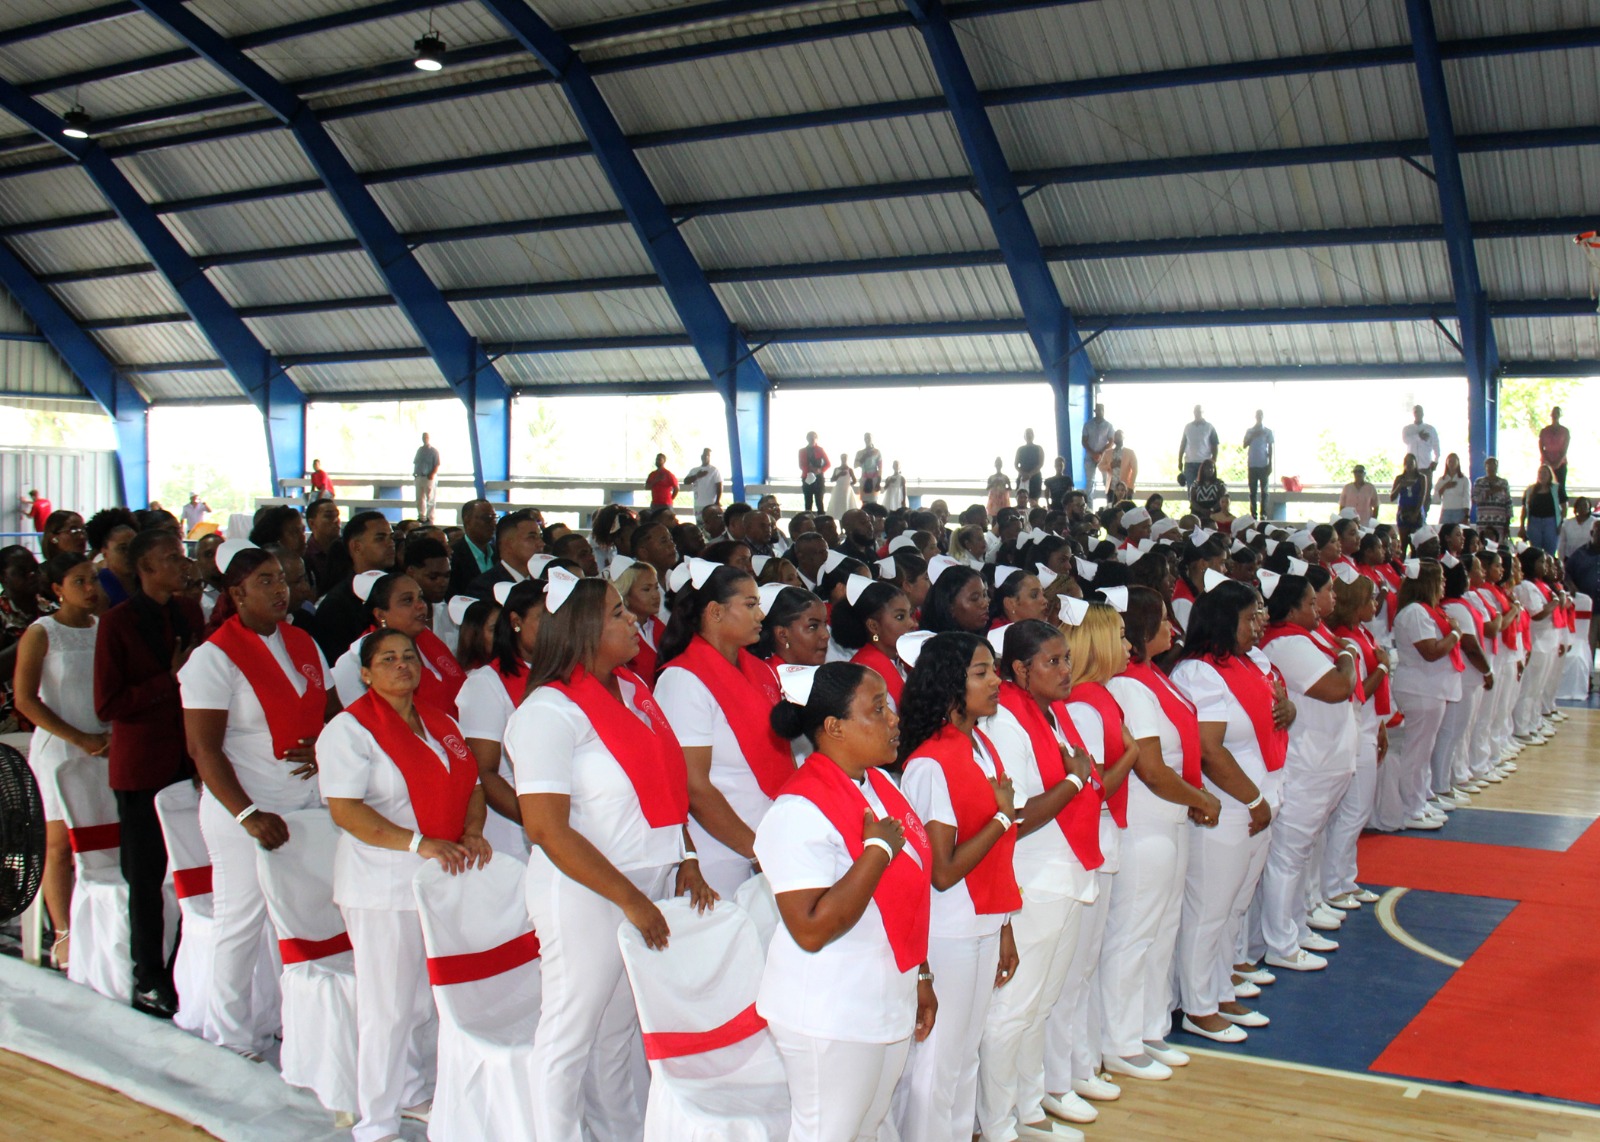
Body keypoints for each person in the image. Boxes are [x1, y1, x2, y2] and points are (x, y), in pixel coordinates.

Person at [507, 573, 710, 1142]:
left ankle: (617, 1130)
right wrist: (632, 900)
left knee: (619, 1030)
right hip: (586, 893)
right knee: (570, 1031)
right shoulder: (549, 711)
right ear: (583, 629)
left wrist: (686, 855)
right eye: (619, 613)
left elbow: (667, 786)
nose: (633, 621)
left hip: (645, 884)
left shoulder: (633, 691)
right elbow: (546, 829)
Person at [320, 628, 490, 1142]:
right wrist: (418, 842)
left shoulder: (440, 723)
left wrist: (473, 831)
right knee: (388, 1006)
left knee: (425, 998)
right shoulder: (349, 732)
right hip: (383, 886)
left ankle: (412, 1089)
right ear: (366, 674)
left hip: (439, 878)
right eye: (388, 659)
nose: (402, 666)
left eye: (409, 657)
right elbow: (347, 810)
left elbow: (473, 787)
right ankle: (374, 1119)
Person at [756, 662, 935, 1142]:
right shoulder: (796, 811)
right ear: (833, 728)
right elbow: (812, 928)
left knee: (869, 1128)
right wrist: (876, 851)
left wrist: (918, 974)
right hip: (828, 1011)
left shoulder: (879, 785)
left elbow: (909, 893)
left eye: (889, 706)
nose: (893, 719)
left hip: (881, 995)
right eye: (877, 710)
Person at [180, 544, 329, 1061]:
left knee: (295, 921)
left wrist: (324, 743)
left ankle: (277, 1019)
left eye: (283, 578)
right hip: (244, 808)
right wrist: (247, 813)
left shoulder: (304, 642)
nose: (279, 588)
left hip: (304, 805)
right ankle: (229, 1034)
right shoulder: (214, 657)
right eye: (265, 580)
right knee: (241, 921)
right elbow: (203, 747)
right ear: (236, 593)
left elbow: (332, 715)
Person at [893, 631, 1018, 1142]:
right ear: (950, 684)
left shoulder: (979, 743)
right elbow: (941, 871)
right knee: (938, 1062)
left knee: (966, 1054)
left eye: (993, 671)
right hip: (950, 929)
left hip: (984, 919)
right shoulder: (928, 762)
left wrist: (1005, 925)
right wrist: (1003, 817)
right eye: (981, 672)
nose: (995, 682)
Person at [976, 619, 1099, 1137]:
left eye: (1067, 658)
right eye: (1053, 661)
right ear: (1020, 670)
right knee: (1014, 1008)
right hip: (1034, 877)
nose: (1066, 669)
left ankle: (1028, 1108)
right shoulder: (1007, 718)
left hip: (1063, 872)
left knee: (1041, 1002)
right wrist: (1075, 779)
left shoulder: (1050, 714)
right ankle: (998, 1121)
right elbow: (1017, 817)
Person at [1098, 588, 1219, 1078]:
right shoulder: (1129, 686)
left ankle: (1149, 1027)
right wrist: (1201, 798)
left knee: (1161, 930)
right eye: (1165, 621)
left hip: (1169, 822)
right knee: (1133, 935)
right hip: (1145, 822)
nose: (1174, 628)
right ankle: (1119, 1040)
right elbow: (1150, 768)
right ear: (1140, 632)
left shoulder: (1154, 677)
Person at [1169, 580, 1289, 1043]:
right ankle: (1198, 1006)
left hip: (1254, 804)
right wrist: (1254, 800)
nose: (1259, 623)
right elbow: (1211, 751)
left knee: (1234, 905)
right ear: (1223, 622)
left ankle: (1219, 989)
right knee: (1209, 910)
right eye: (1249, 617)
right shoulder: (1200, 673)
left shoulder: (1244, 663)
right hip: (1229, 808)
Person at [93, 528, 205, 1019]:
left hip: (185, 757)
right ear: (145, 570)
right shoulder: (117, 623)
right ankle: (147, 976)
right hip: (141, 765)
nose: (183, 566)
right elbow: (109, 703)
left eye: (182, 557)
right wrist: (169, 681)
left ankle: (183, 965)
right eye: (171, 559)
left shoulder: (186, 612)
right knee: (145, 877)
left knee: (193, 871)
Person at [656, 561, 794, 896]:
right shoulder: (682, 680)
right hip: (719, 851)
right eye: (750, 605)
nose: (761, 615)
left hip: (767, 840)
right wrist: (755, 850)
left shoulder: (759, 670)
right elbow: (694, 786)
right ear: (715, 612)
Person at [1255, 570, 1356, 973]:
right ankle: (1281, 941)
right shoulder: (1288, 643)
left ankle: (1296, 924)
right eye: (1311, 603)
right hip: (1307, 762)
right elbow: (1335, 687)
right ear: (1291, 608)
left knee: (1302, 851)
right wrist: (1347, 655)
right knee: (1289, 856)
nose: (1318, 609)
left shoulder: (1304, 639)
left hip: (1323, 760)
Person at [14, 552, 108, 972]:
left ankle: (99, 922)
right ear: (57, 590)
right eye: (79, 582)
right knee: (58, 844)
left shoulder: (102, 628)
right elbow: (25, 699)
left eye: (93, 580)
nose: (91, 589)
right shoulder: (42, 632)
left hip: (102, 744)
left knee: (99, 837)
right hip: (61, 746)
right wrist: (78, 737)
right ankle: (63, 930)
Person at [1372, 560, 1461, 832]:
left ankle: (1419, 799)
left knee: (1424, 749)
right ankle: (1410, 806)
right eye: (1440, 580)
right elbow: (1430, 650)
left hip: (1429, 687)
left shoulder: (1425, 611)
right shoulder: (1414, 613)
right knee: (1416, 750)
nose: (1444, 584)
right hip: (1420, 687)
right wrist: (1456, 633)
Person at [457, 579, 543, 855]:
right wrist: (542, 821)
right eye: (546, 618)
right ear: (516, 621)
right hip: (516, 829)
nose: (557, 629)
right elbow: (484, 772)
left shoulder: (567, 675)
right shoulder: (486, 684)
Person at [332, 571, 467, 718]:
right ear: (380, 615)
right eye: (408, 600)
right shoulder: (356, 662)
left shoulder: (428, 640)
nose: (421, 605)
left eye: (420, 597)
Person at [311, 511, 396, 662]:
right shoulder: (336, 604)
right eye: (380, 538)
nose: (390, 544)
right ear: (356, 546)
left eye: (391, 537)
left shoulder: (398, 589)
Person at [466, 508, 543, 601]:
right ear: (508, 544)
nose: (541, 544)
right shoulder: (485, 588)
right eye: (532, 537)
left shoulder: (543, 582)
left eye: (540, 537)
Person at [447, 499, 496, 596]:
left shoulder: (499, 553)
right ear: (467, 521)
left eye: (494, 518)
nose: (493, 523)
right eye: (486, 518)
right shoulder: (453, 555)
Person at [1402, 406, 1441, 520]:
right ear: (1413, 413)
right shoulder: (1408, 429)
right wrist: (1418, 436)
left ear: (1423, 413)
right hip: (1411, 468)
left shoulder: (1430, 429)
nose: (1418, 413)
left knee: (1426, 493)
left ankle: (1423, 516)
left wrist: (1436, 460)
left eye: (1419, 412)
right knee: (1411, 491)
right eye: (1415, 412)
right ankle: (1409, 515)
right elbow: (1406, 440)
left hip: (1425, 466)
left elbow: (1436, 445)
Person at [1520, 464, 1562, 554]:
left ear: (1550, 475)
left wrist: (1561, 523)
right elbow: (1524, 509)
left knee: (1550, 550)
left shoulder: (1556, 488)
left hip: (1551, 522)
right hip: (1534, 522)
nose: (1542, 475)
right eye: (1540, 473)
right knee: (1535, 551)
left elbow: (1564, 507)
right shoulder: (1530, 489)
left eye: (1545, 473)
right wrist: (1522, 526)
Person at [302, 499, 342, 594]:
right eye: (328, 516)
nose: (336, 520)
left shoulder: (346, 550)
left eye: (337, 516)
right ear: (312, 523)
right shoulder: (306, 556)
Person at [1471, 456, 1513, 539]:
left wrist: (1507, 523)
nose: (1491, 468)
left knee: (1498, 545)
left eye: (1494, 466)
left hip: (1499, 522)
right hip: (1483, 521)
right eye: (1489, 466)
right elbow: (1475, 499)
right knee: (1483, 545)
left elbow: (1508, 503)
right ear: (1485, 467)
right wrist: (1489, 492)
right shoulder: (1479, 482)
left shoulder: (1503, 483)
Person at [1176, 405, 1218, 487]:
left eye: (1199, 411)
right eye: (1196, 411)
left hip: (1204, 463)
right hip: (1189, 463)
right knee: (1191, 488)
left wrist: (1213, 461)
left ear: (1202, 412)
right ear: (1193, 412)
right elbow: (1183, 444)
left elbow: (1215, 445)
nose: (1197, 413)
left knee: (1204, 487)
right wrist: (1180, 460)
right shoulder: (1188, 427)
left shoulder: (1209, 427)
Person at [1540, 406, 1571, 507]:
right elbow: (1541, 447)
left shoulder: (1565, 431)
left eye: (1558, 413)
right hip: (1546, 464)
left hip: (1560, 463)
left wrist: (1558, 462)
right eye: (1554, 412)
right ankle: (1545, 508)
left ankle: (1562, 513)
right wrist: (1548, 461)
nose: (1555, 415)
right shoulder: (1544, 431)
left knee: (1560, 488)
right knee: (1545, 486)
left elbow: (1565, 448)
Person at [1081, 405, 1113, 503]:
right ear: (1095, 411)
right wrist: (1092, 453)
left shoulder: (1108, 425)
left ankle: (1109, 505)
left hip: (1103, 457)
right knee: (1090, 483)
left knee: (1106, 481)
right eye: (1098, 410)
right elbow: (1084, 441)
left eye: (1101, 410)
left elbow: (1111, 441)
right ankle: (1089, 507)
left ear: (1104, 411)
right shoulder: (1088, 425)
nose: (1099, 412)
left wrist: (1100, 453)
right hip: (1090, 456)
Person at [1098, 431, 1137, 504]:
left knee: (1126, 508)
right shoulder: (1107, 452)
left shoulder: (1130, 452)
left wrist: (1131, 487)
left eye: (1119, 435)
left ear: (1123, 438)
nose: (1117, 437)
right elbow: (1100, 467)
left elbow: (1135, 470)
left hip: (1126, 488)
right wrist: (1111, 465)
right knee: (1111, 508)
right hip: (1112, 488)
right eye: (1116, 436)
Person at [1390, 454, 1426, 532]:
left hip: (1417, 510)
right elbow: (1392, 498)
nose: (1409, 465)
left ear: (1415, 464)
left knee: (1416, 540)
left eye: (1411, 463)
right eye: (1406, 463)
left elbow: (1422, 496)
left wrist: (1416, 513)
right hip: (1403, 510)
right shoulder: (1399, 478)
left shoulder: (1421, 478)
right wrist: (1400, 486)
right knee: (1404, 541)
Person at [412, 432, 441, 523]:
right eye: (423, 437)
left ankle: (430, 518)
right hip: (419, 476)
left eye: (426, 437)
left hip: (429, 477)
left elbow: (437, 464)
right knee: (419, 498)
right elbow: (416, 462)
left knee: (430, 498)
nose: (425, 439)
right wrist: (415, 473)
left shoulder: (434, 451)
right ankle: (421, 517)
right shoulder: (420, 450)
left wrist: (432, 474)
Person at [1434, 453, 1470, 525]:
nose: (1451, 463)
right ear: (1446, 463)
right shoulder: (1442, 480)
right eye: (1450, 461)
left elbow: (1466, 498)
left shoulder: (1464, 479)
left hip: (1459, 511)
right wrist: (1445, 487)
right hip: (1446, 510)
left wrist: (1466, 516)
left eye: (1454, 461)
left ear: (1458, 463)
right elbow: (1436, 498)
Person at [1187, 459, 1227, 524]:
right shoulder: (1195, 484)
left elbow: (1223, 499)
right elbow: (1192, 500)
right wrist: (1201, 510)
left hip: (1215, 511)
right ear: (1202, 469)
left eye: (1212, 467)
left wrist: (1212, 509)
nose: (1210, 470)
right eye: (1207, 468)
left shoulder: (1220, 484)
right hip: (1199, 511)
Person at [684, 448, 723, 513]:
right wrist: (697, 476)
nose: (705, 457)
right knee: (699, 522)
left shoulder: (714, 470)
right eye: (704, 455)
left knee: (710, 521)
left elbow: (719, 486)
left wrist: (717, 501)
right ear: (701, 457)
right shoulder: (694, 470)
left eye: (707, 455)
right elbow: (686, 481)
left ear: (710, 457)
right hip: (698, 504)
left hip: (710, 503)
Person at [1015, 429, 1046, 505]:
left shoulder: (1039, 448)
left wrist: (1030, 475)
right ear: (1024, 436)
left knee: (1034, 501)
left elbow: (1041, 464)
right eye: (1027, 434)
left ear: (1033, 435)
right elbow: (1016, 464)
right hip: (1023, 477)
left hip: (1035, 477)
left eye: (1030, 433)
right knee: (1021, 499)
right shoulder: (1020, 449)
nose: (1029, 435)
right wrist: (1023, 474)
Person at [1559, 496, 1593, 561]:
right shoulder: (1567, 523)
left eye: (1585, 506)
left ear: (1589, 508)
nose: (1582, 508)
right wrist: (1561, 559)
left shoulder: (1595, 523)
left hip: (1589, 559)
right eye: (1580, 506)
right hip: (1570, 558)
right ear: (1576, 508)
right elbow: (1562, 543)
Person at [856, 434, 884, 503]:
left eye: (869, 438)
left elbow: (880, 467)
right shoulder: (860, 453)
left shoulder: (877, 452)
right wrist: (864, 457)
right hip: (864, 479)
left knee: (873, 502)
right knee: (864, 502)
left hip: (874, 479)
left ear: (872, 439)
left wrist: (879, 482)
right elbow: (856, 465)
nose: (867, 439)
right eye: (865, 438)